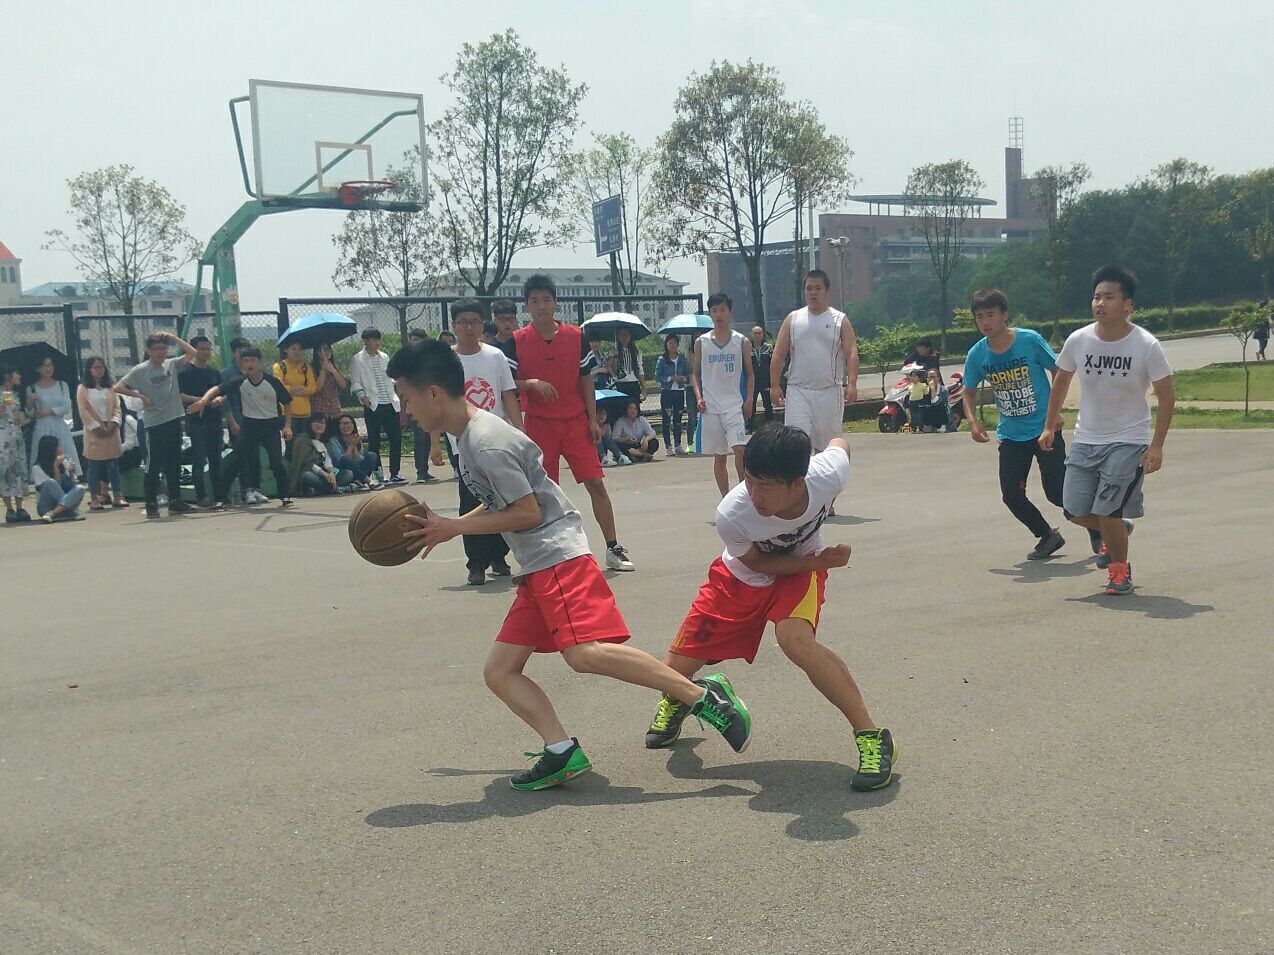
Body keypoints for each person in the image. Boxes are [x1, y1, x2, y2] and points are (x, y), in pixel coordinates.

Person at [389, 339, 752, 790]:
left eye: (406, 397)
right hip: (536, 563)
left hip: (556, 556)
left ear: (432, 393)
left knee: (584, 654)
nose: (406, 409)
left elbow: (527, 512)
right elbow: (506, 500)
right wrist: (451, 526)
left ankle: (702, 696)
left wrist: (455, 528)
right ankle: (561, 751)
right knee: (500, 671)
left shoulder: (485, 442)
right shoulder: (469, 436)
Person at [642, 424, 895, 792]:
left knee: (796, 641)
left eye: (766, 486)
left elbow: (840, 444)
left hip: (799, 572)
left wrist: (815, 561)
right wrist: (820, 562)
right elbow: (758, 562)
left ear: (798, 482)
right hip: (740, 576)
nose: (754, 494)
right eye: (749, 480)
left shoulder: (827, 475)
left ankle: (871, 737)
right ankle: (687, 694)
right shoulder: (733, 513)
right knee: (670, 673)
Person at [1040, 266, 1175, 596]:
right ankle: (1117, 529)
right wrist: (1049, 424)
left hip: (1129, 439)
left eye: (1109, 297)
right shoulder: (1079, 340)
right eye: (1097, 297)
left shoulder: (1146, 345)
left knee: (1107, 510)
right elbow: (1061, 381)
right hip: (1087, 438)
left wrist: (1157, 445)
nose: (1100, 303)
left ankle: (1119, 572)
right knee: (1073, 510)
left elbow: (1166, 395)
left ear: (1128, 305)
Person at [502, 274, 634, 572]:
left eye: (546, 300)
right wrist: (530, 383)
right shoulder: (517, 342)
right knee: (543, 492)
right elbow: (506, 384)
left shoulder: (576, 336)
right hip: (539, 425)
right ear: (527, 306)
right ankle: (546, 554)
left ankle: (613, 547)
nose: (541, 306)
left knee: (596, 483)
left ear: (555, 303)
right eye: (534, 301)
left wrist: (593, 419)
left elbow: (585, 379)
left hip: (575, 421)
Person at [961, 288, 1066, 560]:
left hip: (1045, 429)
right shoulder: (977, 354)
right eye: (980, 317)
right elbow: (968, 392)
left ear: (1004, 315)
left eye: (991, 315)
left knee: (1058, 492)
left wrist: (1055, 413)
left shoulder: (1029, 340)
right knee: (1011, 495)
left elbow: (1058, 371)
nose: (985, 322)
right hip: (1011, 434)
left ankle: (1099, 528)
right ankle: (1047, 535)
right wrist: (973, 422)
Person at [447, 298, 522, 586]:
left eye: (474, 322)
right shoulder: (446, 360)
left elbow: (507, 394)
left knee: (502, 498)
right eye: (463, 322)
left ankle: (499, 556)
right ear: (454, 326)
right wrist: (435, 442)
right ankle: (476, 563)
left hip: (496, 439)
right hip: (463, 441)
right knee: (471, 501)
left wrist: (519, 430)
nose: (469, 327)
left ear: (482, 325)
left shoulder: (495, 356)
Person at [116, 331, 209, 519]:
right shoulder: (141, 370)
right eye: (157, 349)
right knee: (153, 465)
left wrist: (172, 337)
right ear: (149, 351)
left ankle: (175, 501)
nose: (161, 352)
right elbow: (118, 387)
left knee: (173, 462)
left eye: (164, 349)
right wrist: (139, 396)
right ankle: (151, 503)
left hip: (173, 419)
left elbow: (192, 353)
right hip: (153, 424)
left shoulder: (171, 364)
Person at [770, 270, 859, 455]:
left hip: (829, 391)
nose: (813, 292)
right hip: (798, 391)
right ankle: (800, 474)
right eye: (809, 288)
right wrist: (774, 385)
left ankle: (823, 474)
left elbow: (851, 353)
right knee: (795, 445)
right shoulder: (793, 319)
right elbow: (778, 354)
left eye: (818, 288)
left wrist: (852, 384)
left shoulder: (840, 320)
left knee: (827, 449)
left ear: (827, 291)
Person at [210, 348, 295, 508]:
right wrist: (204, 401)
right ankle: (220, 498)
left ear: (259, 362)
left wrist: (287, 426)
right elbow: (219, 389)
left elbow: (288, 402)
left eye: (252, 360)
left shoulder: (272, 382)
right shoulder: (240, 381)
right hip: (250, 426)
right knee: (236, 460)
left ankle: (284, 495)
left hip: (270, 425)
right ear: (242, 364)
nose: (249, 364)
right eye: (246, 361)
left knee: (276, 462)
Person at [694, 293, 754, 497]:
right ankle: (726, 498)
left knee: (740, 449)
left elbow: (750, 374)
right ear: (710, 314)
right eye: (714, 311)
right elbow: (695, 374)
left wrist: (749, 399)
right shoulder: (701, 342)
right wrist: (699, 397)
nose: (718, 315)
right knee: (719, 456)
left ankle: (744, 495)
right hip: (711, 407)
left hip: (733, 405)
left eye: (722, 310)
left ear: (730, 312)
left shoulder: (742, 341)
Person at [349, 328, 405, 485]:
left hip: (390, 402)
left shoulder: (384, 357)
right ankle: (379, 475)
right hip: (373, 404)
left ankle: (395, 473)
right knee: (374, 441)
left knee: (396, 438)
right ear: (365, 341)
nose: (376, 343)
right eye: (373, 339)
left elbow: (391, 377)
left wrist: (397, 393)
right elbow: (355, 382)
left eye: (378, 339)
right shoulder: (357, 359)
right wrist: (363, 398)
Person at [179, 336, 228, 509]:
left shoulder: (214, 373)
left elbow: (223, 392)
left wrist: (219, 400)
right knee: (199, 459)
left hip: (215, 420)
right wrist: (201, 401)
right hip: (196, 421)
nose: (206, 352)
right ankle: (202, 497)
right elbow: (180, 395)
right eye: (202, 349)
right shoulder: (185, 372)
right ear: (193, 350)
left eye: (208, 349)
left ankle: (220, 496)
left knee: (216, 459)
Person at [76, 356, 126, 510]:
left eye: (101, 367)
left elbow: (117, 407)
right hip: (94, 432)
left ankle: (117, 495)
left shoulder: (110, 387)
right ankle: (94, 497)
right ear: (89, 370)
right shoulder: (83, 389)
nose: (99, 370)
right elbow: (83, 410)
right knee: (94, 466)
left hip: (111, 429)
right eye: (96, 367)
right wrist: (96, 427)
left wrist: (114, 423)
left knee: (113, 465)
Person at [25, 356, 81, 481]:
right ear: (38, 369)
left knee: (65, 455)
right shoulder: (32, 388)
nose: (48, 368)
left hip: (59, 426)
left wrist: (46, 412)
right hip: (42, 427)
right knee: (44, 456)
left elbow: (66, 407)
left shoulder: (62, 385)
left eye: (50, 365)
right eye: (45, 366)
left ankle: (68, 481)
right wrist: (29, 402)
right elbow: (31, 414)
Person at [404, 328, 439, 484]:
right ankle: (420, 472)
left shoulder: (430, 359)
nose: (414, 342)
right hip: (416, 403)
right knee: (419, 438)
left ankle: (425, 470)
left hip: (430, 402)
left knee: (428, 436)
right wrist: (408, 404)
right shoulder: (407, 361)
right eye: (412, 339)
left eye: (417, 339)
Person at [289, 416, 352, 496]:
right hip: (313, 473)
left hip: (326, 476)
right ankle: (335, 489)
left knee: (348, 474)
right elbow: (306, 463)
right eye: (316, 422)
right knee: (307, 476)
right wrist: (324, 474)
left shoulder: (325, 443)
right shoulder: (302, 439)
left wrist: (331, 473)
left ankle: (322, 491)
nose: (319, 425)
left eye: (322, 423)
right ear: (310, 424)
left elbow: (328, 461)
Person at [1, 365, 32, 523]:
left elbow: (21, 418)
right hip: (3, 437)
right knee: (6, 470)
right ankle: (9, 508)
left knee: (19, 469)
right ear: (7, 375)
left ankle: (20, 507)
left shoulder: (16, 394)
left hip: (17, 436)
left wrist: (29, 407)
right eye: (16, 373)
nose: (19, 376)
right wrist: (4, 403)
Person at [31, 435, 86, 522]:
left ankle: (52, 514)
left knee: (80, 488)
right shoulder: (37, 468)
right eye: (58, 446)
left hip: (63, 507)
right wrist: (55, 467)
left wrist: (72, 473)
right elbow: (56, 487)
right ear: (52, 449)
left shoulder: (63, 463)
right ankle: (70, 511)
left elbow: (71, 488)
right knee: (50, 482)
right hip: (46, 507)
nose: (61, 448)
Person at [273, 341, 317, 440]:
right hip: (288, 414)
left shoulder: (305, 367)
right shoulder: (280, 367)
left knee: (304, 442)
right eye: (293, 349)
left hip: (305, 413)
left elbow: (312, 388)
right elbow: (279, 388)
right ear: (286, 350)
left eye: (299, 349)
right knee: (291, 443)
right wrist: (299, 388)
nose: (297, 352)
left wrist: (292, 390)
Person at [655, 335, 690, 455]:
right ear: (666, 345)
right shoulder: (661, 359)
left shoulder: (682, 359)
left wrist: (682, 378)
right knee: (666, 419)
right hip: (667, 391)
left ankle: (678, 444)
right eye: (670, 343)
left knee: (678, 419)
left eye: (675, 343)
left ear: (678, 345)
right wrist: (670, 378)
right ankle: (668, 446)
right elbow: (657, 377)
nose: (672, 345)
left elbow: (687, 375)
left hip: (679, 391)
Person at [329, 414, 380, 490]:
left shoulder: (356, 438)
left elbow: (360, 460)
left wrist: (354, 446)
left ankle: (358, 482)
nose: (346, 426)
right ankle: (369, 481)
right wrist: (351, 445)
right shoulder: (333, 441)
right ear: (338, 426)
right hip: (342, 470)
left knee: (372, 455)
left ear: (353, 425)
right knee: (345, 458)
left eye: (348, 423)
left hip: (356, 468)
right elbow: (341, 460)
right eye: (342, 424)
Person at [310, 342, 347, 434]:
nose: (326, 352)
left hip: (335, 411)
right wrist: (323, 370)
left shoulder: (334, 367)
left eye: (328, 349)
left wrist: (333, 371)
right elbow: (317, 388)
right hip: (319, 410)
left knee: (335, 436)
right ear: (317, 352)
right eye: (323, 349)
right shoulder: (311, 368)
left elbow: (343, 385)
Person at [748, 325, 775, 430]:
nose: (757, 335)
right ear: (751, 334)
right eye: (755, 333)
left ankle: (770, 427)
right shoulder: (747, 348)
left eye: (759, 333)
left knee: (767, 405)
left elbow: (772, 364)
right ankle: (750, 427)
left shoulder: (768, 347)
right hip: (752, 382)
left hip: (765, 381)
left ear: (763, 335)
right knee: (751, 404)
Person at [613, 327, 646, 405]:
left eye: (626, 334)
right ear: (618, 336)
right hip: (620, 384)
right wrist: (615, 356)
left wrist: (644, 389)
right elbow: (614, 371)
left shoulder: (636, 352)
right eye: (621, 334)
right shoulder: (613, 351)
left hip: (633, 384)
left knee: (634, 409)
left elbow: (640, 371)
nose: (624, 337)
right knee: (621, 409)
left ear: (630, 336)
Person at [919, 368, 950, 432]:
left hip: (940, 413)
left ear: (938, 378)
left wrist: (932, 389)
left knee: (938, 406)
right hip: (928, 414)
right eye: (930, 377)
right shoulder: (924, 389)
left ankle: (942, 426)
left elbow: (936, 401)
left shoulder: (943, 390)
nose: (932, 379)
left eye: (934, 377)